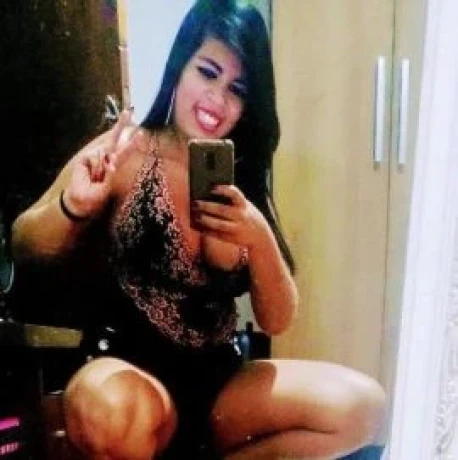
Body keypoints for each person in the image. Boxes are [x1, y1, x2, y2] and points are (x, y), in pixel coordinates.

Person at [11, 0, 386, 458]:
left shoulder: (239, 177)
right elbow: (25, 244)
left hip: (220, 383)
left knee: (363, 407)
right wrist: (73, 206)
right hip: (127, 370)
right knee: (112, 413)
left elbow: (277, 320)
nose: (217, 99)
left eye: (237, 89)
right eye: (207, 72)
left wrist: (258, 238)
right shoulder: (125, 150)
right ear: (179, 67)